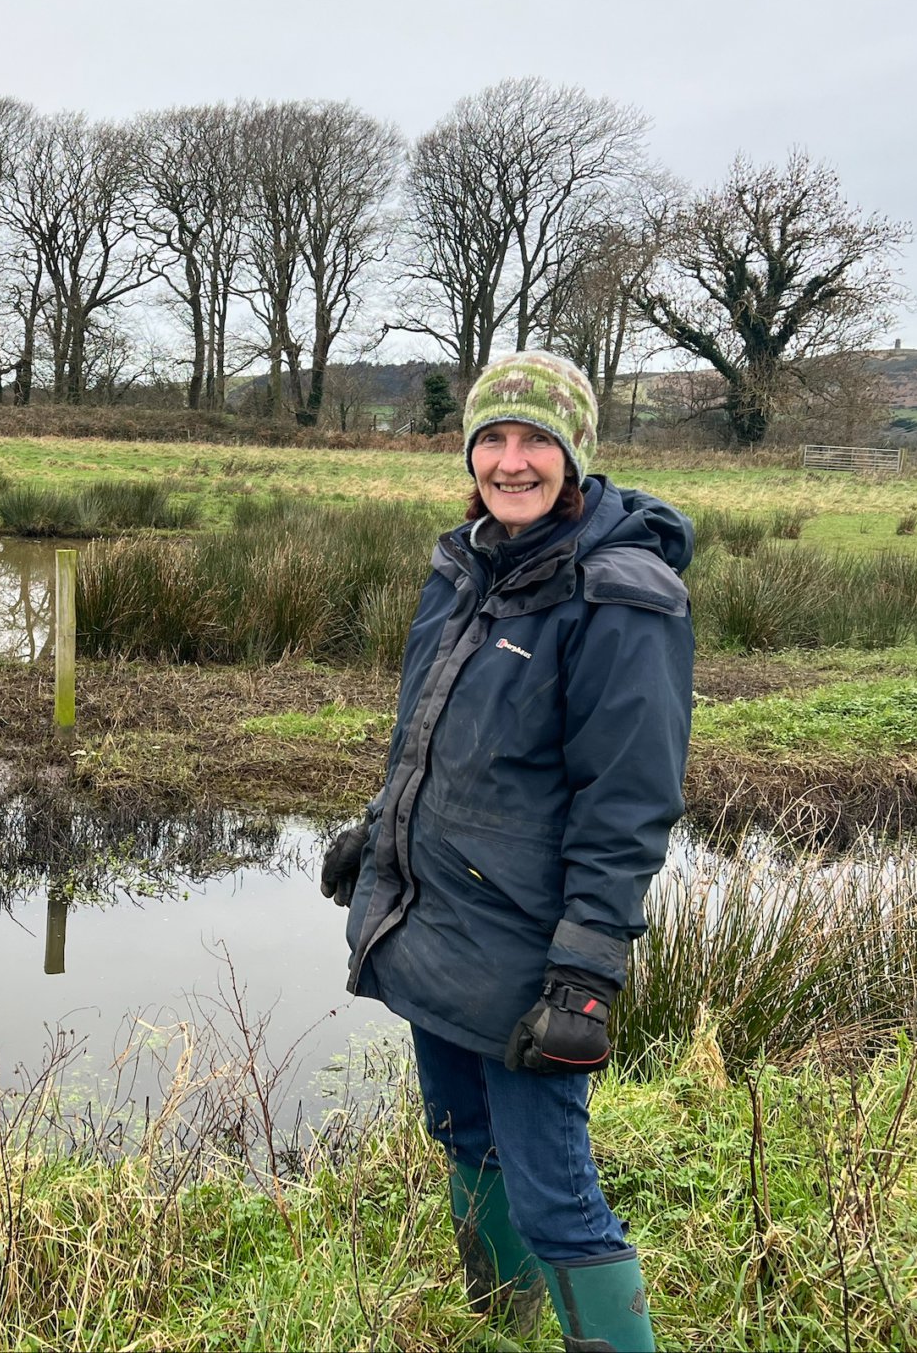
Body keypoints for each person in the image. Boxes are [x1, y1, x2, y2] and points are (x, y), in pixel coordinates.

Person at [320, 350, 694, 1353]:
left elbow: (625, 804)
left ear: (574, 456)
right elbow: (430, 736)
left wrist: (583, 976)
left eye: (535, 440)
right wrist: (378, 830)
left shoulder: (624, 597)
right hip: (435, 918)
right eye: (492, 438)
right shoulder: (462, 566)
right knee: (459, 1138)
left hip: (529, 950)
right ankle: (501, 1326)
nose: (511, 460)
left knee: (555, 1195)